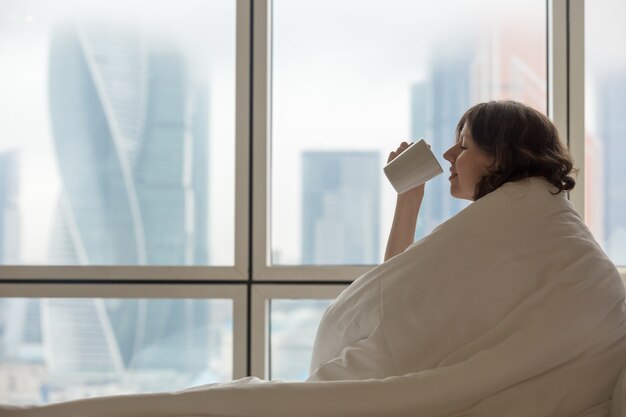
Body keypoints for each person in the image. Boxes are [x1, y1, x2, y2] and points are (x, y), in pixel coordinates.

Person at [3, 100, 625, 417]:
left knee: (238, 401)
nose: (453, 157)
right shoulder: (512, 222)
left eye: (465, 144)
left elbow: (400, 309)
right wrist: (408, 202)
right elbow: (404, 297)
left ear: (501, 153)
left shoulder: (529, 223)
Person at [384, 100, 575, 261]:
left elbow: (390, 298)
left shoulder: (494, 234)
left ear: (502, 158)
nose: (447, 154)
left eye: (464, 146)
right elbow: (389, 292)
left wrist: (408, 202)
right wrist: (409, 197)